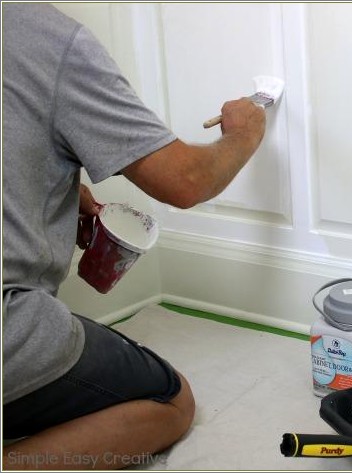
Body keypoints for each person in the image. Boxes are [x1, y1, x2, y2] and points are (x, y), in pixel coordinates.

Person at [2, 3, 266, 469]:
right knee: (171, 402)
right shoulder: (47, 38)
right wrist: (243, 135)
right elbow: (185, 181)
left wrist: (52, 191)